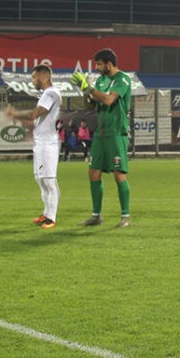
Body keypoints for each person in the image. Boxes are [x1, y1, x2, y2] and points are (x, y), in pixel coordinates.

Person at [71, 49, 133, 227]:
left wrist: (89, 88)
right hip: (101, 133)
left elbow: (108, 100)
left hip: (116, 133)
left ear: (109, 64)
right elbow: (91, 106)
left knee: (119, 174)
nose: (97, 67)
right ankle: (96, 215)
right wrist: (85, 91)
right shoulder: (101, 80)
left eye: (99, 64)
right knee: (93, 172)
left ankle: (125, 216)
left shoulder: (122, 79)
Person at [5, 65, 62, 229]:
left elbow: (34, 114)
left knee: (49, 180)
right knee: (40, 179)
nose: (32, 81)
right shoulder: (47, 93)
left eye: (34, 77)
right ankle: (46, 212)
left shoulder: (51, 93)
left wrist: (15, 114)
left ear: (44, 77)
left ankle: (52, 217)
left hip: (48, 143)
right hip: (41, 142)